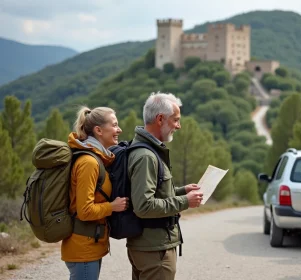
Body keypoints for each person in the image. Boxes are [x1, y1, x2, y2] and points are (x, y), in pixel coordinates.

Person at [127, 92, 203, 280]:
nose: (178, 126)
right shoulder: (146, 156)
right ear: (160, 119)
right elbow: (144, 206)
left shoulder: (147, 151)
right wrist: (185, 201)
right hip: (155, 250)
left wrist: (182, 191)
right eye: (175, 120)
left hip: (150, 246)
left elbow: (154, 194)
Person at [61, 106, 129, 280]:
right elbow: (85, 211)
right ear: (99, 130)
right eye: (114, 125)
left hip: (89, 243)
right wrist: (112, 207)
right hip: (83, 246)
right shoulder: (89, 163)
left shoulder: (97, 158)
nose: (119, 130)